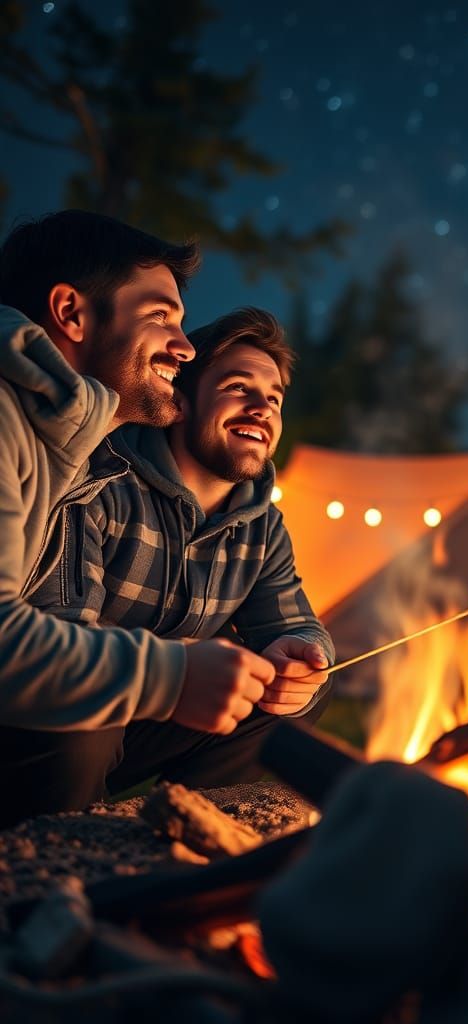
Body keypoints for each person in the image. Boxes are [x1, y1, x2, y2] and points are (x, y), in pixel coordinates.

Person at [0, 210, 276, 826]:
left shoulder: (66, 446)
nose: (184, 346)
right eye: (160, 318)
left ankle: (181, 844)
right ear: (70, 313)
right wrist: (169, 675)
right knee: (82, 719)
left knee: (263, 700)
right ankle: (41, 890)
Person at [24, 307, 333, 806]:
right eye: (238, 387)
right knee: (88, 714)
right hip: (58, 721)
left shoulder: (262, 523)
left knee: (296, 692)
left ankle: (187, 822)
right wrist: (177, 669)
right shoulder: (100, 479)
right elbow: (61, 634)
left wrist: (304, 655)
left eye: (274, 399)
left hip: (155, 720)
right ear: (181, 400)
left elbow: (294, 624)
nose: (262, 408)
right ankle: (59, 842)